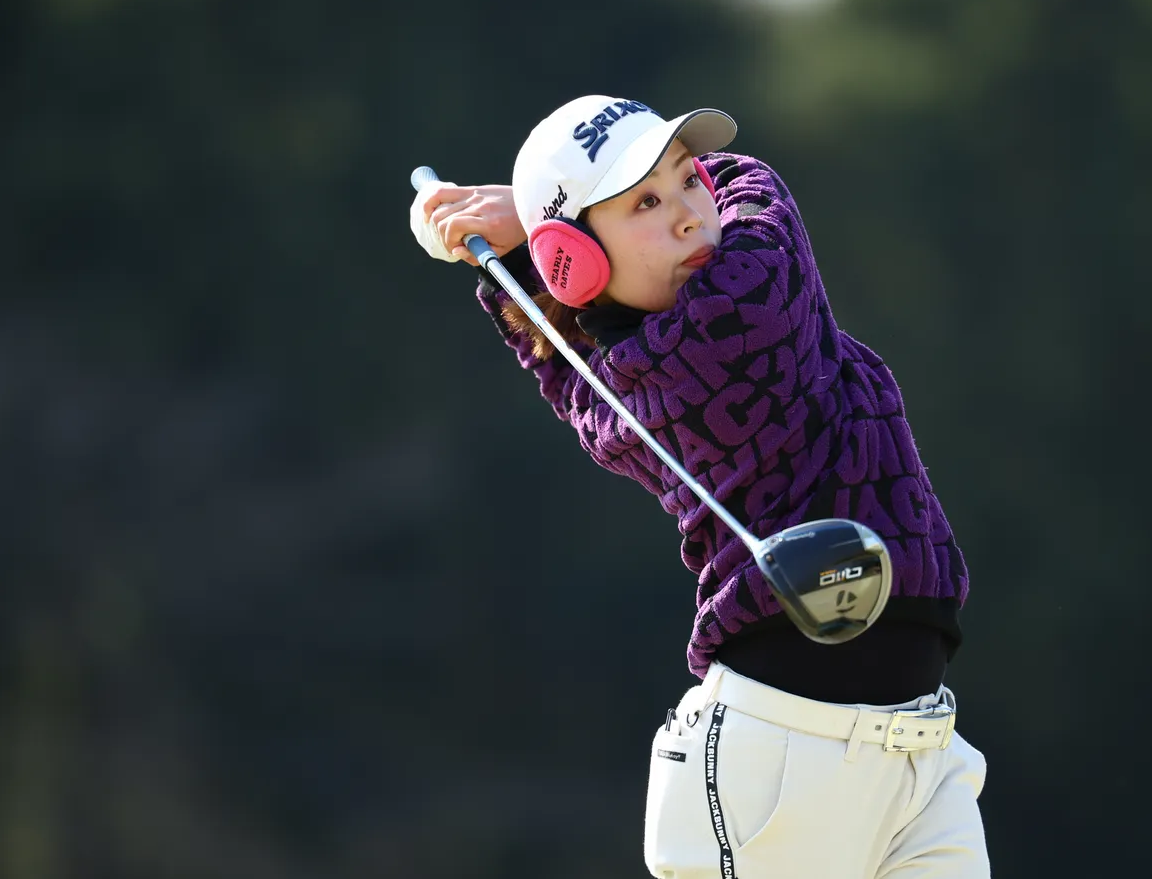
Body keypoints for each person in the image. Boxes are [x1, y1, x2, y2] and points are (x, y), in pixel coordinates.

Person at [409, 95, 990, 878]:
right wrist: (526, 219)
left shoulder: (614, 389)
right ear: (574, 260)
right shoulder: (743, 303)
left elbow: (554, 356)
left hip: (916, 752)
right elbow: (757, 185)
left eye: (687, 179)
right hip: (781, 763)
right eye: (645, 203)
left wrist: (515, 252)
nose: (690, 216)